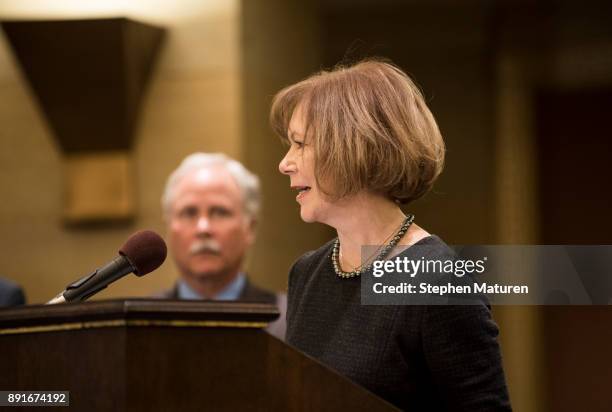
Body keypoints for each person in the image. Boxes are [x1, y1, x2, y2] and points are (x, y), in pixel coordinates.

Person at [271, 59, 511, 410]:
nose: (284, 163)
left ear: (353, 148)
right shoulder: (306, 273)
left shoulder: (437, 280)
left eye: (300, 144)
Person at [158, 153, 286, 340]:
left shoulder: (287, 321)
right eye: (189, 212)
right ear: (168, 227)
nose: (203, 228)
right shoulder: (138, 324)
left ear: (249, 228)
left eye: (220, 212)